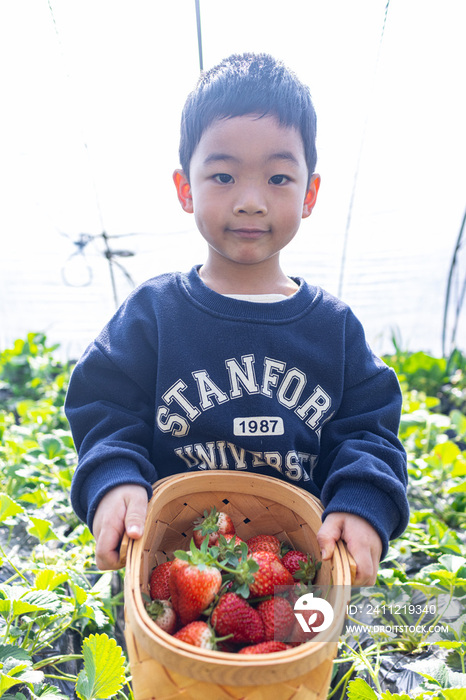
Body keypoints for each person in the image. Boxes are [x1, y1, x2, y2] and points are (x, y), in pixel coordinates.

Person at [65, 53, 409, 585]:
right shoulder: (154, 314)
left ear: (309, 194)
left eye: (278, 177)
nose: (251, 201)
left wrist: (363, 503)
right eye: (223, 175)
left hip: (293, 571)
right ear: (186, 189)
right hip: (166, 567)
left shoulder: (334, 330)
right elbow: (104, 406)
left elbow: (368, 431)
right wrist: (114, 481)